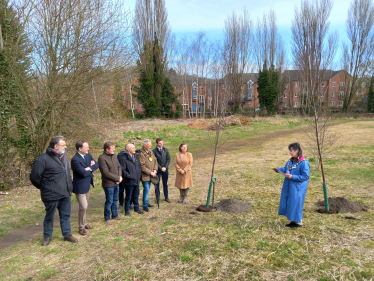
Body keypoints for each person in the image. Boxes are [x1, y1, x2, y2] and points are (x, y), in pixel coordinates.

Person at [30, 136, 78, 246]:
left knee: (65, 215)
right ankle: (47, 236)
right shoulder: (42, 159)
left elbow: (66, 173)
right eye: (63, 145)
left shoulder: (63, 157)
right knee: (49, 217)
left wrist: (69, 186)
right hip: (51, 195)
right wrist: (45, 187)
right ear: (56, 146)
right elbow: (34, 177)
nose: (66, 147)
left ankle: (67, 234)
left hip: (65, 193)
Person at [273, 142, 310, 228]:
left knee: (296, 203)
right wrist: (278, 169)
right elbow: (286, 169)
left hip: (298, 188)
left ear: (297, 151)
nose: (290, 152)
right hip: (289, 185)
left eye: (291, 151)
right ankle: (293, 221)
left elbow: (305, 176)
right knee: (290, 202)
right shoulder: (290, 161)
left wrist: (293, 176)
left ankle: (298, 222)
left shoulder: (304, 163)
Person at [71, 140, 99, 235]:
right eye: (86, 147)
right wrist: (90, 169)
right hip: (79, 186)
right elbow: (83, 173)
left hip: (87, 185)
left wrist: (88, 168)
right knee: (83, 206)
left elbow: (96, 164)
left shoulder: (88, 155)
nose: (88, 148)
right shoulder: (75, 160)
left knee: (85, 206)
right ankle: (81, 227)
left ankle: (85, 223)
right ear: (80, 148)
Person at [98, 141, 123, 225]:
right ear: (107, 149)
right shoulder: (102, 158)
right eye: (112, 148)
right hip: (108, 184)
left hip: (117, 183)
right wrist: (117, 178)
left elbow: (119, 167)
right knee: (109, 201)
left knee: (115, 200)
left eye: (114, 148)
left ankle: (115, 215)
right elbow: (106, 172)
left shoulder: (114, 156)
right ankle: (107, 218)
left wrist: (119, 178)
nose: (114, 150)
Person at [118, 143, 144, 216]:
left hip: (136, 180)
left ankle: (137, 208)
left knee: (136, 195)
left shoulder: (135, 156)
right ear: (128, 149)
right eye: (133, 148)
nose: (135, 149)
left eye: (134, 148)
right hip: (129, 181)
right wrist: (130, 176)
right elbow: (123, 171)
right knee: (128, 197)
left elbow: (138, 167)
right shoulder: (123, 158)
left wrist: (138, 174)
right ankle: (127, 211)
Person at [138, 139, 158, 212]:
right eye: (149, 145)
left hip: (152, 175)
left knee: (148, 190)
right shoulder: (141, 154)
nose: (150, 146)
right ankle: (145, 205)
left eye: (150, 145)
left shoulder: (151, 152)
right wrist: (151, 172)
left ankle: (146, 202)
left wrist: (155, 170)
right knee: (146, 190)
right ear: (145, 145)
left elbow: (155, 161)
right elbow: (142, 167)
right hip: (145, 176)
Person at [152, 138, 171, 203]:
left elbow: (168, 159)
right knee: (157, 184)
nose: (161, 144)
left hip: (165, 170)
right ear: (157, 143)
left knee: (165, 183)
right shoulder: (154, 151)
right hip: (158, 170)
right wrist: (160, 168)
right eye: (160, 143)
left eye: (162, 142)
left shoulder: (165, 150)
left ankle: (166, 197)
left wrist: (165, 167)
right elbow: (154, 161)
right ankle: (158, 197)